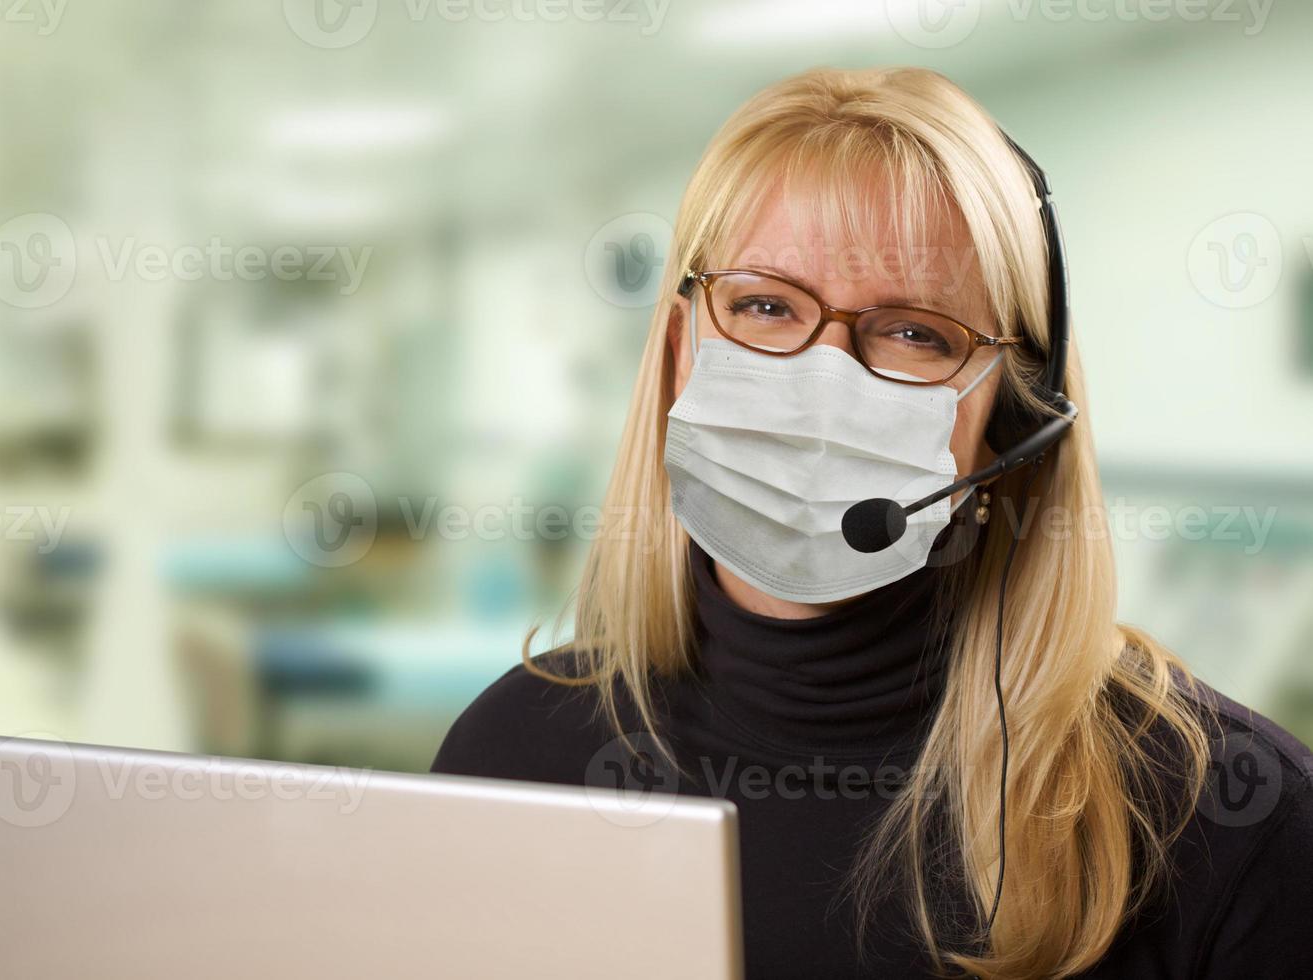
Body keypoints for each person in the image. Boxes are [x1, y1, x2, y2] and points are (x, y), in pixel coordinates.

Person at [431, 66, 1313, 979]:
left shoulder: (1228, 820)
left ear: (1012, 425)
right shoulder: (511, 750)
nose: (822, 383)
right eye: (764, 305)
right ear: (675, 349)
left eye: (913, 332)